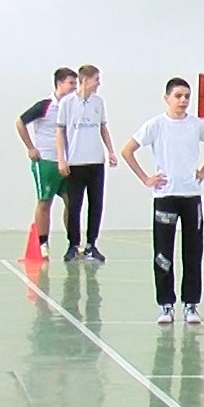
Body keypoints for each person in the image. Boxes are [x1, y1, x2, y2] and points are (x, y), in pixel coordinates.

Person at [121, 78, 204, 326]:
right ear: (166, 98)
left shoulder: (196, 125)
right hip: (165, 197)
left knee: (193, 252)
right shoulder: (155, 125)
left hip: (191, 197)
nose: (183, 100)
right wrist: (146, 178)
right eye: (178, 95)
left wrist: (202, 172)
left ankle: (191, 304)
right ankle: (166, 304)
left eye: (187, 96)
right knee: (163, 254)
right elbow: (127, 150)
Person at [55, 63, 117, 264]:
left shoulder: (99, 102)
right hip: (75, 162)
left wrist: (111, 151)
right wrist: (61, 159)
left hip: (95, 162)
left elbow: (103, 128)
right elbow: (60, 132)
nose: (99, 83)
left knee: (96, 204)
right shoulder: (67, 103)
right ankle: (73, 245)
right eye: (96, 79)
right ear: (85, 80)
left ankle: (91, 244)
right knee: (74, 205)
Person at [16, 68, 77, 260]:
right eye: (71, 83)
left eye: (76, 84)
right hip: (46, 161)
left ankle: (73, 244)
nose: (74, 87)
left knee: (71, 202)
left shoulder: (72, 107)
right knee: (45, 202)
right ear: (60, 83)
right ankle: (43, 243)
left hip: (66, 162)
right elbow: (19, 122)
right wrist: (30, 147)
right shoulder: (44, 106)